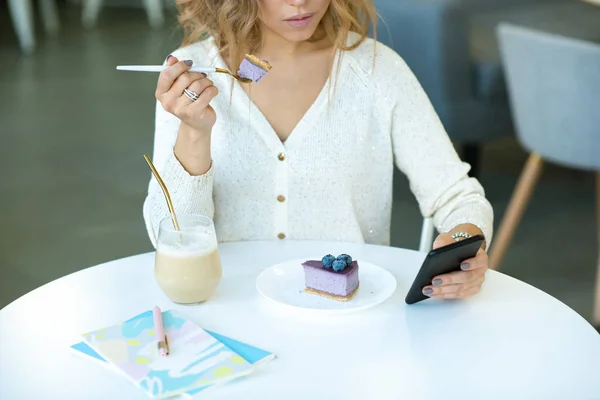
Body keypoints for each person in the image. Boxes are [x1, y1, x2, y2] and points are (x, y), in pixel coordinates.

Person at [143, 0, 494, 300]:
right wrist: (194, 131)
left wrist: (464, 244)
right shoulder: (191, 77)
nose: (300, 2)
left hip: (350, 318)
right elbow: (169, 234)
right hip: (231, 312)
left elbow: (457, 196)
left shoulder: (377, 70)